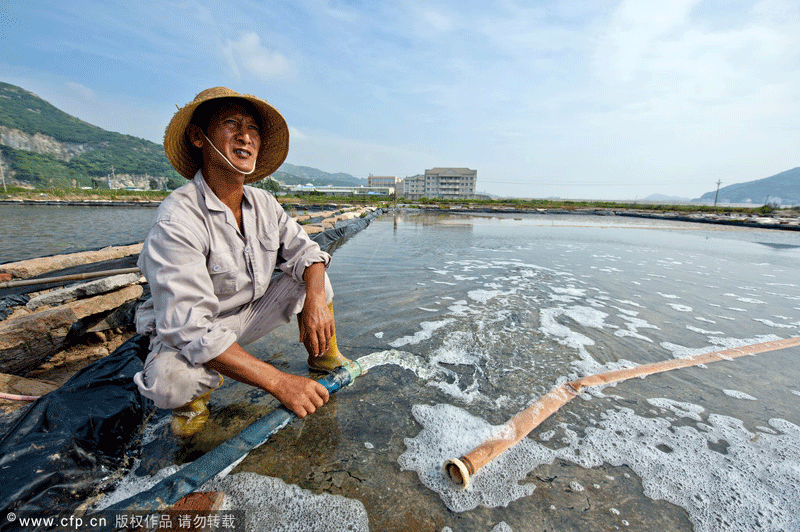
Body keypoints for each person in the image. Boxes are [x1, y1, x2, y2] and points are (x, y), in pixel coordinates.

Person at [133, 87, 352, 437]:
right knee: (169, 382)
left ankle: (324, 356)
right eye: (230, 123)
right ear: (197, 137)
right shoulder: (177, 219)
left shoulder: (263, 203)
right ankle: (196, 402)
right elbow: (190, 329)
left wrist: (314, 300)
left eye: (253, 128)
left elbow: (308, 253)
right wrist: (279, 382)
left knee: (316, 281)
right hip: (196, 330)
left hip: (246, 316)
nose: (245, 136)